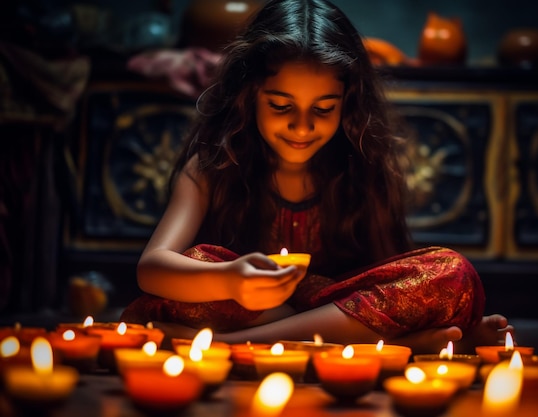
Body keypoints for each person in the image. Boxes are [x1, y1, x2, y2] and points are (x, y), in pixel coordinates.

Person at [120, 0, 513, 353]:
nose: (302, 127)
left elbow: (389, 281)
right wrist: (230, 280)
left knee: (451, 271)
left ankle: (230, 346)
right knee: (196, 264)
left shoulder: (361, 165)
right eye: (280, 105)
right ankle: (397, 345)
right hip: (253, 307)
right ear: (248, 95)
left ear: (348, 104)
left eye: (323, 109)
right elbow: (151, 268)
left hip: (331, 307)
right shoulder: (213, 166)